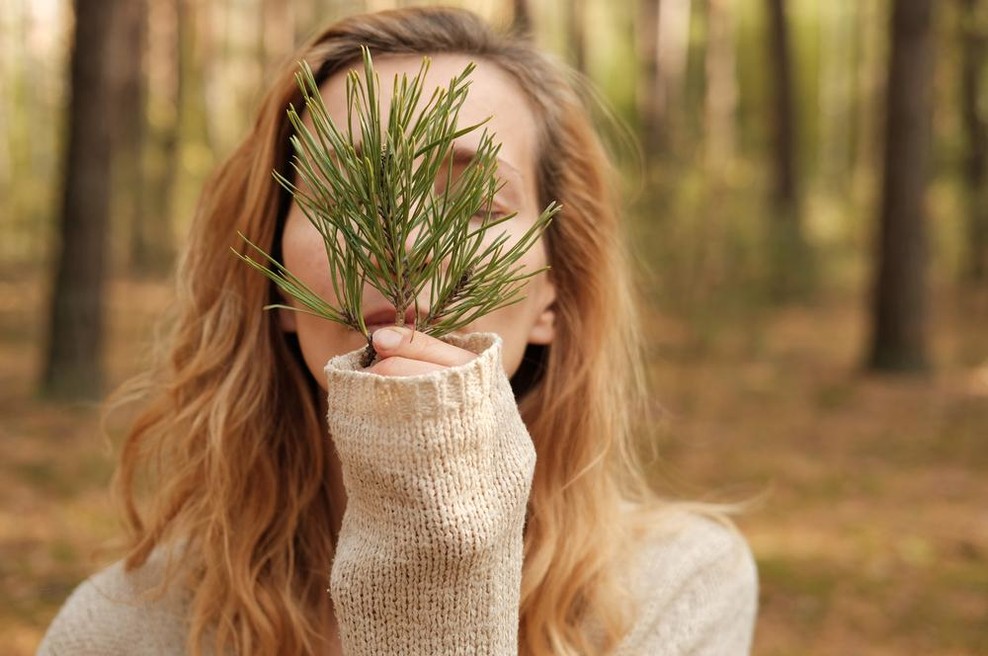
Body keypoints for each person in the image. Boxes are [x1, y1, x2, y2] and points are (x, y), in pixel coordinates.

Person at [39, 6, 757, 655]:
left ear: (553, 295)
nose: (403, 243)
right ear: (276, 284)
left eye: (474, 200)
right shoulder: (121, 627)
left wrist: (439, 567)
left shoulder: (671, 591)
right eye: (347, 193)